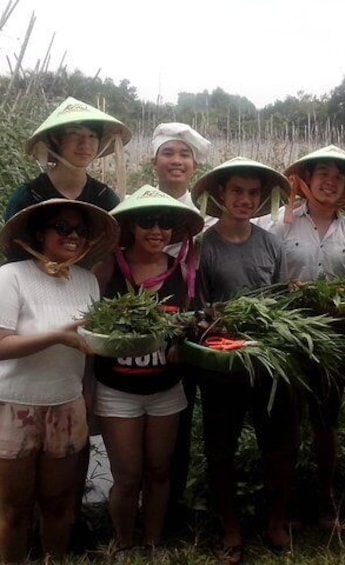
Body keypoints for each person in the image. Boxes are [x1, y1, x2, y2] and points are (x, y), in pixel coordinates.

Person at [0, 199, 119, 564]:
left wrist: (87, 393)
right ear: (40, 232)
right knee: (16, 508)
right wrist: (57, 335)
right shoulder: (12, 276)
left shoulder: (86, 282)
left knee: (59, 504)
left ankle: (56, 559)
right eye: (62, 227)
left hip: (65, 405)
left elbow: (86, 347)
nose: (72, 236)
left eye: (80, 231)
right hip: (10, 404)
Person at [258, 145, 345, 527]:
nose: (329, 182)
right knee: (286, 423)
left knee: (326, 422)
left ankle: (326, 500)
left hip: (332, 343)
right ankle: (282, 503)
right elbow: (270, 280)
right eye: (322, 173)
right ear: (305, 182)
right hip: (288, 338)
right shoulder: (282, 223)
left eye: (338, 177)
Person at [92, 186, 204, 557]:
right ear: (129, 227)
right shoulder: (110, 267)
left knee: (159, 472)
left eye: (166, 222)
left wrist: (180, 349)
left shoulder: (182, 273)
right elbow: (88, 319)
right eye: (146, 221)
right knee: (127, 476)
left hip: (166, 391)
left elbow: (194, 326)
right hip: (117, 389)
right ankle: (124, 543)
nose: (156, 230)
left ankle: (153, 543)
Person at [191, 157, 294, 562]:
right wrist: (221, 332)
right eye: (237, 191)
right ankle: (230, 526)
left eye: (253, 193)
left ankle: (276, 521)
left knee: (279, 445)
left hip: (268, 361)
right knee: (221, 447)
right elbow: (196, 310)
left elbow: (282, 301)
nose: (245, 199)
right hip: (222, 364)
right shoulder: (204, 247)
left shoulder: (270, 243)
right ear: (221, 194)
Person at [147, 122, 214, 527]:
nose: (176, 160)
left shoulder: (203, 218)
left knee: (180, 416)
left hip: (185, 330)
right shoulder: (134, 210)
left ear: (193, 165)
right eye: (168, 153)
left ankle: (171, 506)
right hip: (140, 331)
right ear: (153, 161)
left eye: (184, 154)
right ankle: (135, 500)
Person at [4, 96, 131, 221]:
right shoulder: (29, 197)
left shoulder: (105, 198)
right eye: (74, 134)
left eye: (92, 136)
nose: (85, 144)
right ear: (55, 139)